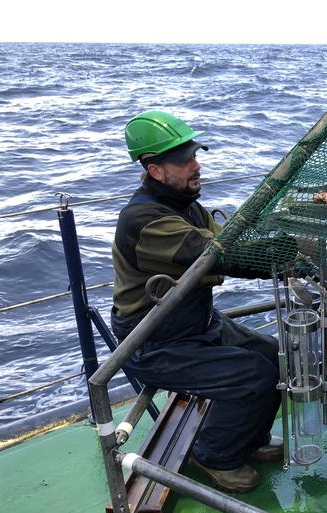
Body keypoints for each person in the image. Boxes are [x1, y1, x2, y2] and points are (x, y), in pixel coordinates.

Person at [111, 110, 287, 493]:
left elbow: (232, 242)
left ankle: (248, 439)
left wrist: (285, 238)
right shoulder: (144, 220)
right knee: (251, 376)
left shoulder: (186, 203)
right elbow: (217, 254)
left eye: (195, 155)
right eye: (185, 160)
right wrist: (290, 251)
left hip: (195, 324)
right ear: (155, 170)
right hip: (154, 340)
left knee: (271, 354)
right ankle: (213, 456)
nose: (196, 166)